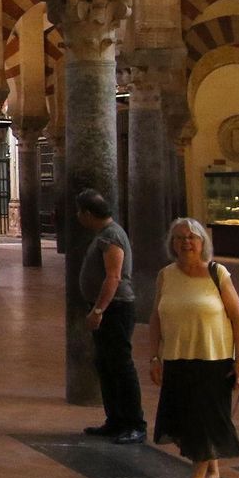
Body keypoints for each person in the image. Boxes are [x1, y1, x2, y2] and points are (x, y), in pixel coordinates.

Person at [150, 217, 239, 478]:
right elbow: (156, 316)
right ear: (172, 244)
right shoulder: (166, 275)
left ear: (203, 242)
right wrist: (155, 357)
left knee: (203, 420)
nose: (186, 243)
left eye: (192, 237)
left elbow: (238, 317)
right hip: (178, 358)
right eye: (180, 238)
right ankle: (212, 469)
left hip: (213, 359)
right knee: (183, 418)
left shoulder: (218, 274)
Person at [77, 189, 147, 444]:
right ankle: (116, 420)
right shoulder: (105, 234)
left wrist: (99, 310)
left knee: (120, 365)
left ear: (87, 213)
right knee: (106, 365)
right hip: (109, 308)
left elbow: (114, 276)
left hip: (116, 309)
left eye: (79, 212)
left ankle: (135, 423)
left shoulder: (112, 236)